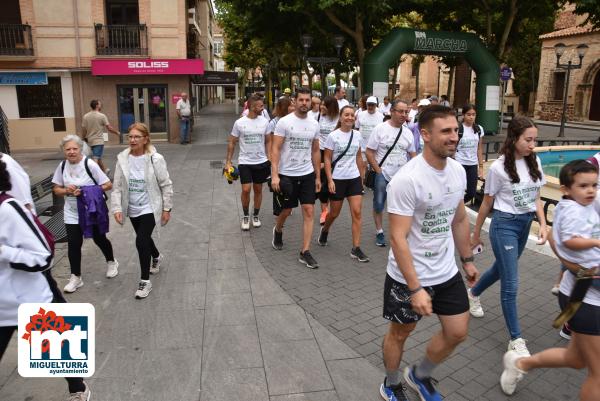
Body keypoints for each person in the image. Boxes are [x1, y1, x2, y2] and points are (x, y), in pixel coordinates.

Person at [380, 105, 479, 401]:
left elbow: (459, 218)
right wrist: (416, 289)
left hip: (446, 270)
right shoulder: (407, 179)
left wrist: (468, 259)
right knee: (400, 333)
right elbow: (397, 238)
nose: (454, 137)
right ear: (424, 135)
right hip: (409, 276)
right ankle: (392, 383)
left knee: (458, 331)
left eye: (456, 130)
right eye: (446, 131)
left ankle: (419, 375)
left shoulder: (458, 171)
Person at [499, 160, 600, 400]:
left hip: (583, 295)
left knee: (576, 359)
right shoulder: (578, 205)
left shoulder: (588, 201)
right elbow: (558, 239)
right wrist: (580, 268)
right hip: (586, 297)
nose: (590, 189)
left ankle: (520, 364)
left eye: (593, 185)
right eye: (585, 185)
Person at [0, 159, 91, 401]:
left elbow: (39, 250)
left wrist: (4, 250)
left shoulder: (7, 204)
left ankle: (78, 388)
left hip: (26, 293)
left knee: (58, 346)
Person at [468, 116, 548, 356]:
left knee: (501, 269)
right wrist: (475, 234)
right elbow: (486, 204)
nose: (532, 144)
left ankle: (472, 293)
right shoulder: (499, 168)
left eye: (535, 139)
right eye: (528, 139)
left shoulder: (535, 161)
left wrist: (543, 224)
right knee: (511, 283)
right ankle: (516, 339)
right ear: (514, 138)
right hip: (504, 226)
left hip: (525, 224)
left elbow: (536, 198)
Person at [111, 122, 173, 299]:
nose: (132, 140)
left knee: (140, 240)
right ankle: (156, 256)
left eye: (137, 136)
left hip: (150, 206)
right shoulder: (122, 158)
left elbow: (166, 184)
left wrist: (167, 208)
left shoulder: (156, 159)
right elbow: (117, 186)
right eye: (130, 136)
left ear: (146, 139)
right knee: (144, 238)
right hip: (132, 207)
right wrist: (116, 208)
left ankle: (145, 281)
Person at [52, 135, 117, 293]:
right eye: (68, 149)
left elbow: (108, 184)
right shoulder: (62, 166)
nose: (72, 152)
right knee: (74, 244)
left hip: (90, 211)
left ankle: (111, 261)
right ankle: (76, 277)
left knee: (99, 239)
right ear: (63, 151)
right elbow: (56, 188)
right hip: (72, 212)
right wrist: (66, 190)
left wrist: (87, 191)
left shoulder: (90, 164)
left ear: (80, 149)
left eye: (75, 148)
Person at [270, 87, 321, 269]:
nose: (305, 103)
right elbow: (275, 149)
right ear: (295, 100)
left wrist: (317, 177)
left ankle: (305, 251)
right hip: (287, 175)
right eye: (301, 100)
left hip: (306, 173)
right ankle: (278, 229)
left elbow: (315, 150)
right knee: (286, 210)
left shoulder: (314, 124)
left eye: (308, 100)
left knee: (308, 210)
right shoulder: (284, 122)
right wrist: (275, 174)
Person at [318, 105, 369, 262]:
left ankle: (356, 248)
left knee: (357, 213)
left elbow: (359, 157)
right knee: (334, 213)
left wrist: (361, 177)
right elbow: (327, 159)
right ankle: (325, 230)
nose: (350, 117)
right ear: (340, 118)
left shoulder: (358, 135)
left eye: (352, 115)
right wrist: (330, 179)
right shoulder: (333, 136)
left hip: (353, 178)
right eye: (346, 115)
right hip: (338, 179)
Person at [366, 99, 416, 247]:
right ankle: (379, 231)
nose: (404, 114)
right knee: (379, 204)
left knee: (401, 207)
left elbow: (412, 154)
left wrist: (412, 172)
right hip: (383, 174)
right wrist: (378, 171)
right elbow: (369, 152)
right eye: (400, 111)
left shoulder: (407, 133)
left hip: (401, 177)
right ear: (392, 112)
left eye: (406, 112)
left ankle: (399, 233)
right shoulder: (380, 129)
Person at [225, 94, 271, 230]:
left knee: (258, 189)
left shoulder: (264, 122)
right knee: (246, 190)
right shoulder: (240, 123)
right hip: (245, 162)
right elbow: (232, 142)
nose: (263, 108)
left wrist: (269, 157)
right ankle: (245, 216)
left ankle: (255, 215)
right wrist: (228, 162)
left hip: (261, 161)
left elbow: (268, 140)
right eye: (260, 106)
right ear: (251, 106)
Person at [454, 104, 485, 204]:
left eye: (473, 114)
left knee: (471, 192)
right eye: (468, 114)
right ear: (463, 115)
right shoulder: (458, 129)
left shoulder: (479, 129)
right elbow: (453, 147)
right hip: (459, 163)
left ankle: (458, 207)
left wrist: (481, 167)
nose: (471, 117)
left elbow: (479, 149)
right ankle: (456, 209)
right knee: (458, 190)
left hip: (472, 164)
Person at [316, 96, 340, 225]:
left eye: (324, 105)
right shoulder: (319, 117)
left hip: (334, 153)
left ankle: (328, 209)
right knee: (323, 181)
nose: (322, 107)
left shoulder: (338, 119)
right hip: (320, 152)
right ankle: (324, 211)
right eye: (321, 105)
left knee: (332, 180)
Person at [81, 99, 120, 173]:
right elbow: (109, 128)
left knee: (98, 157)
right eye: (100, 104)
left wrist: (83, 138)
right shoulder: (102, 116)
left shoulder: (85, 116)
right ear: (97, 106)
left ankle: (105, 170)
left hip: (90, 140)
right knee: (95, 159)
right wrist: (116, 132)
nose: (101, 105)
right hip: (98, 141)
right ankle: (92, 175)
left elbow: (84, 129)